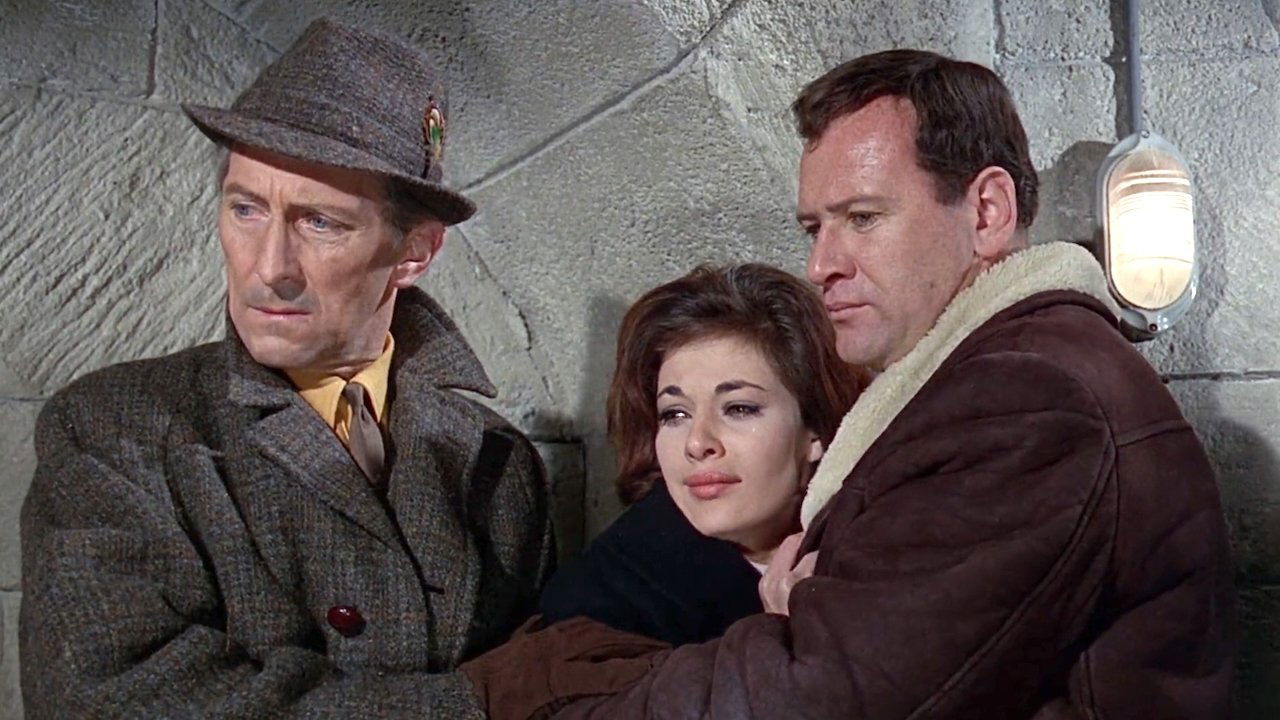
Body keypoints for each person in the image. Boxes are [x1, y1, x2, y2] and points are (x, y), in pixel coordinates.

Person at [467, 49, 1236, 720]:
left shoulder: (1029, 397)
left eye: (863, 218)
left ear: (987, 211)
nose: (821, 265)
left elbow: (821, 697)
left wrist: (539, 699)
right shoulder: (1008, 378)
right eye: (815, 228)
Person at [19, 19, 553, 718]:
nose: (269, 268)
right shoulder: (113, 429)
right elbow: (109, 700)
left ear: (415, 252)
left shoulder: (500, 466)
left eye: (319, 222)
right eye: (246, 209)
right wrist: (460, 703)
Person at [537, 264, 862, 647]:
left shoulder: (881, 544)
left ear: (816, 430)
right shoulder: (598, 611)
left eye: (738, 408)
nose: (697, 442)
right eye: (675, 414)